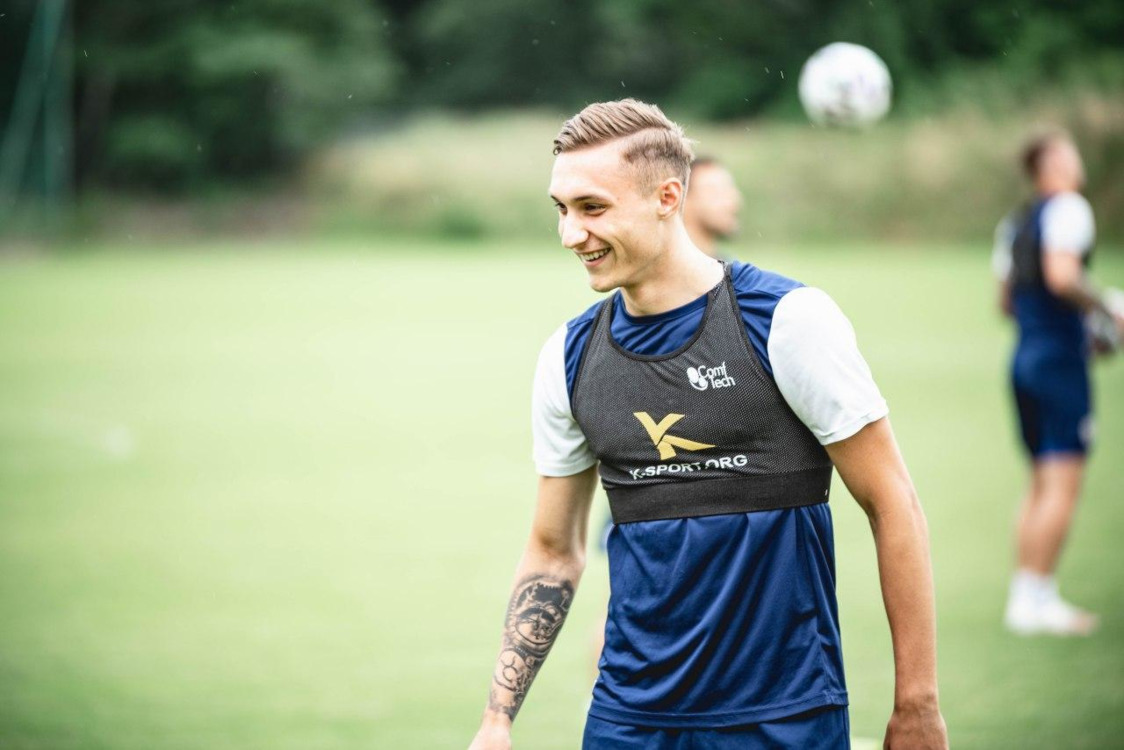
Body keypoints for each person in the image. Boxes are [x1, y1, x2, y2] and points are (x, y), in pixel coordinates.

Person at [468, 99, 947, 750]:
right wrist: (497, 720)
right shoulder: (569, 357)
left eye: (592, 208)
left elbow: (892, 502)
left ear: (667, 197)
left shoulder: (786, 321)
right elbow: (554, 551)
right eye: (562, 209)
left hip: (782, 716)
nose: (571, 234)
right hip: (627, 723)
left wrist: (916, 705)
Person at [587, 153, 744, 676]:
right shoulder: (639, 280)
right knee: (629, 600)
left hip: (724, 483)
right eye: (720, 191)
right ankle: (600, 700)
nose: (735, 201)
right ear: (677, 198)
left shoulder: (739, 289)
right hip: (654, 462)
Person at [992, 131, 1124, 636]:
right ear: (1050, 165)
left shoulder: (1015, 221)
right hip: (1059, 365)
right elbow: (1062, 276)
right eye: (1068, 152)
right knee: (1062, 483)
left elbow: (1006, 302)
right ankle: (1039, 599)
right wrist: (1106, 312)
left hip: (1024, 358)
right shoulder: (1070, 208)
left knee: (1040, 482)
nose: (1077, 159)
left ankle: (1025, 598)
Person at [683, 156, 744, 258]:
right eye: (719, 192)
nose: (733, 203)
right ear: (682, 200)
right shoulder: (663, 266)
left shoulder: (728, 264)